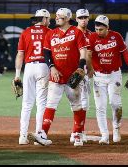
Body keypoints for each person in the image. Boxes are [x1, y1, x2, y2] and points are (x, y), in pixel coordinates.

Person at [29, 8, 89, 147]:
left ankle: (77, 134)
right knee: (50, 105)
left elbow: (83, 51)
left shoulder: (76, 32)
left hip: (73, 76)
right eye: (56, 16)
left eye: (59, 16)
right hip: (56, 76)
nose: (56, 18)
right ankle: (43, 134)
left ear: (67, 18)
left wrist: (81, 67)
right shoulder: (51, 33)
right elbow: (47, 54)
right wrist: (52, 67)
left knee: (77, 105)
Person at [88, 15, 128, 145]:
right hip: (99, 76)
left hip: (114, 75)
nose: (98, 31)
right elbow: (88, 55)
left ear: (107, 28)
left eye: (101, 29)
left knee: (115, 104)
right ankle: (104, 135)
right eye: (96, 29)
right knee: (100, 107)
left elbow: (125, 52)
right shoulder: (92, 37)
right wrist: (89, 68)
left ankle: (116, 128)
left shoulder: (116, 36)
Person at [15, 9, 50, 146]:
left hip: (29, 68)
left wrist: (17, 75)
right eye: (48, 19)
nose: (49, 21)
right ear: (44, 19)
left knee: (26, 104)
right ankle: (39, 135)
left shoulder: (26, 32)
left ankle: (22, 136)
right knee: (41, 103)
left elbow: (20, 55)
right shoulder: (49, 32)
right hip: (43, 67)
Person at [72, 8, 94, 144]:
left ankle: (80, 131)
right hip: (75, 71)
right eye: (81, 18)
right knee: (76, 102)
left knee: (85, 102)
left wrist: (91, 67)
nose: (83, 20)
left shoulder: (91, 34)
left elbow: (92, 54)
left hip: (86, 72)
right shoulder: (72, 33)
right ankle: (76, 132)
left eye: (85, 17)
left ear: (88, 18)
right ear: (76, 19)